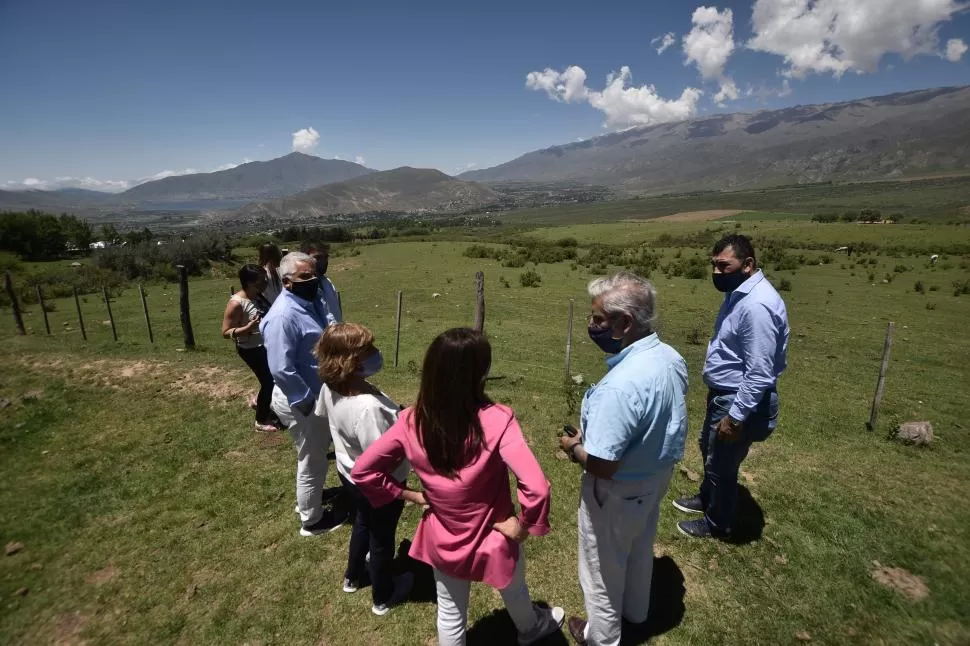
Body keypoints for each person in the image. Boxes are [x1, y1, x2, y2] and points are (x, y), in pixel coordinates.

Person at [352, 328, 565, 646]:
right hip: (495, 535)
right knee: (515, 589)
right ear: (478, 374)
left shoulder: (410, 421)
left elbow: (362, 470)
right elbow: (537, 486)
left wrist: (408, 494)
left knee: (450, 613)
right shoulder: (498, 420)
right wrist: (525, 527)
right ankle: (531, 628)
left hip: (443, 535)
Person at [559, 272, 688, 646]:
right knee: (638, 547)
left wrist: (574, 449)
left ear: (625, 323)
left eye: (598, 319)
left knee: (601, 569)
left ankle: (601, 637)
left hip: (616, 490)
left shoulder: (619, 385)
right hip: (655, 476)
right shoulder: (670, 358)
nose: (591, 325)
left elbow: (602, 464)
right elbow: (654, 420)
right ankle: (636, 611)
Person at [673, 234, 789, 539]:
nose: (717, 273)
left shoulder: (756, 306)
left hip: (736, 398)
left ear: (747, 264)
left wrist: (735, 417)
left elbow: (760, 372)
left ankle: (718, 523)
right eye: (714, 266)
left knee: (723, 464)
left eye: (724, 266)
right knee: (710, 450)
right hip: (724, 394)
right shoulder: (739, 293)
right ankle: (708, 498)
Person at [314, 322, 413, 616]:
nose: (375, 352)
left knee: (362, 524)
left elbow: (326, 416)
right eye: (368, 349)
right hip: (380, 484)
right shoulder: (369, 407)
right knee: (382, 539)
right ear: (350, 361)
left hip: (349, 474)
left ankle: (353, 576)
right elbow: (385, 456)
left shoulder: (331, 387)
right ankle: (383, 595)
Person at [261, 251, 348, 536]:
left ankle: (311, 499)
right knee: (312, 458)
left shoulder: (307, 302)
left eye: (314, 275)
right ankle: (311, 520)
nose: (312, 280)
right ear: (287, 282)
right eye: (305, 276)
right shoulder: (283, 317)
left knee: (314, 454)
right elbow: (280, 369)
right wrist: (308, 403)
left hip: (315, 394)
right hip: (302, 399)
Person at [221, 264, 279, 433]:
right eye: (262, 281)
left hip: (265, 345)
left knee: (272, 379)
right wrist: (248, 328)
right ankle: (261, 421)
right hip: (251, 349)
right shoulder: (236, 304)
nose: (266, 283)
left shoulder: (258, 296)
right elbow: (225, 332)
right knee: (269, 381)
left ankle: (258, 401)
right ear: (249, 282)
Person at [302, 242, 341, 324]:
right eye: (318, 257)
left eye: (326, 257)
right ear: (304, 259)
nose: (323, 261)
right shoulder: (302, 290)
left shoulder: (327, 282)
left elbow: (336, 314)